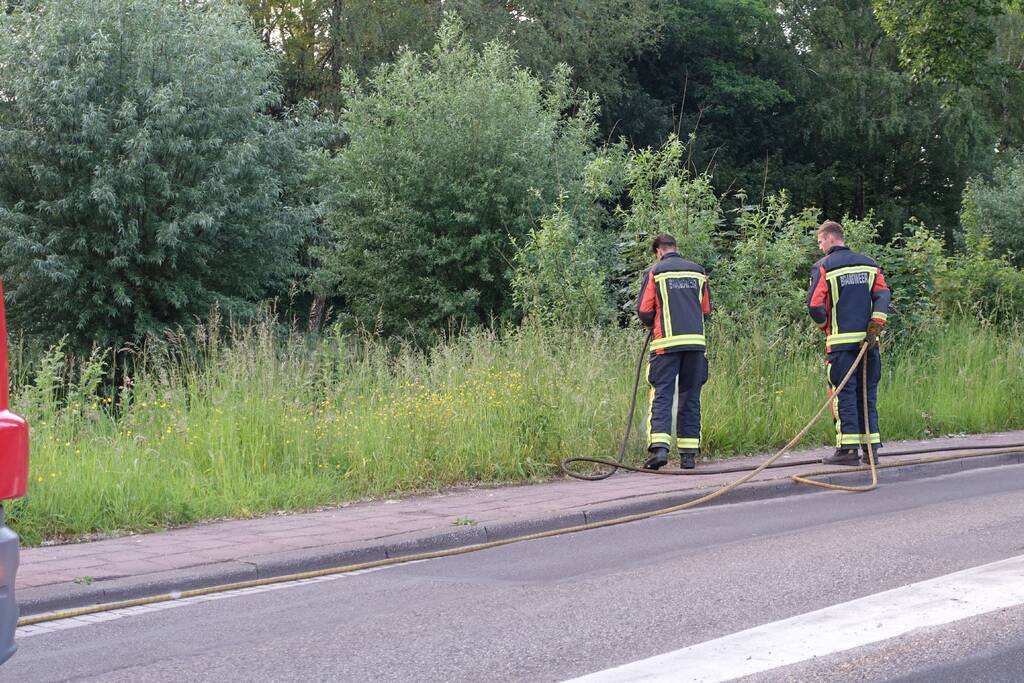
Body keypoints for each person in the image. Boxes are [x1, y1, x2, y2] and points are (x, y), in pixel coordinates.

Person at [806, 220, 891, 465]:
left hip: (841, 347)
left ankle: (848, 450)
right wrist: (875, 325)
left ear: (830, 238)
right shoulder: (869, 264)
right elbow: (883, 294)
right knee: (867, 396)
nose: (820, 247)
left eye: (820, 241)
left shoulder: (824, 267)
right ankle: (871, 451)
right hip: (869, 343)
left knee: (844, 395)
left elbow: (814, 305)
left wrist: (826, 327)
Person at [637, 233, 711, 470]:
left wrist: (654, 323)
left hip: (665, 346)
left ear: (658, 251)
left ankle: (659, 450)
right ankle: (688, 455)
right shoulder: (698, 272)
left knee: (662, 395)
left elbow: (644, 310)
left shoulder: (656, 272)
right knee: (690, 396)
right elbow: (706, 310)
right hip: (696, 346)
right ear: (675, 248)